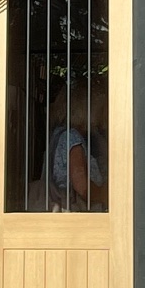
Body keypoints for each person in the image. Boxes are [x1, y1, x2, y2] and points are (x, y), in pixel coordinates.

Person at [45, 83, 108, 211]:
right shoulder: (72, 138)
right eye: (100, 109)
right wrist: (106, 194)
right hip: (75, 212)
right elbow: (82, 187)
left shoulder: (59, 135)